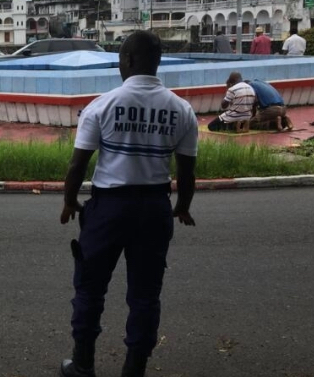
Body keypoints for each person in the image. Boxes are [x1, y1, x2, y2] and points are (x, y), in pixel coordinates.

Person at [59, 31, 198, 377]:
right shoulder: (181, 110)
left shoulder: (102, 105)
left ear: (129, 61)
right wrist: (182, 206)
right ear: (158, 61)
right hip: (154, 209)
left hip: (108, 210)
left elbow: (78, 164)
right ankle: (134, 370)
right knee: (145, 295)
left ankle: (82, 364)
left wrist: (70, 200)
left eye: (121, 59)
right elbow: (187, 170)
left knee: (90, 288)